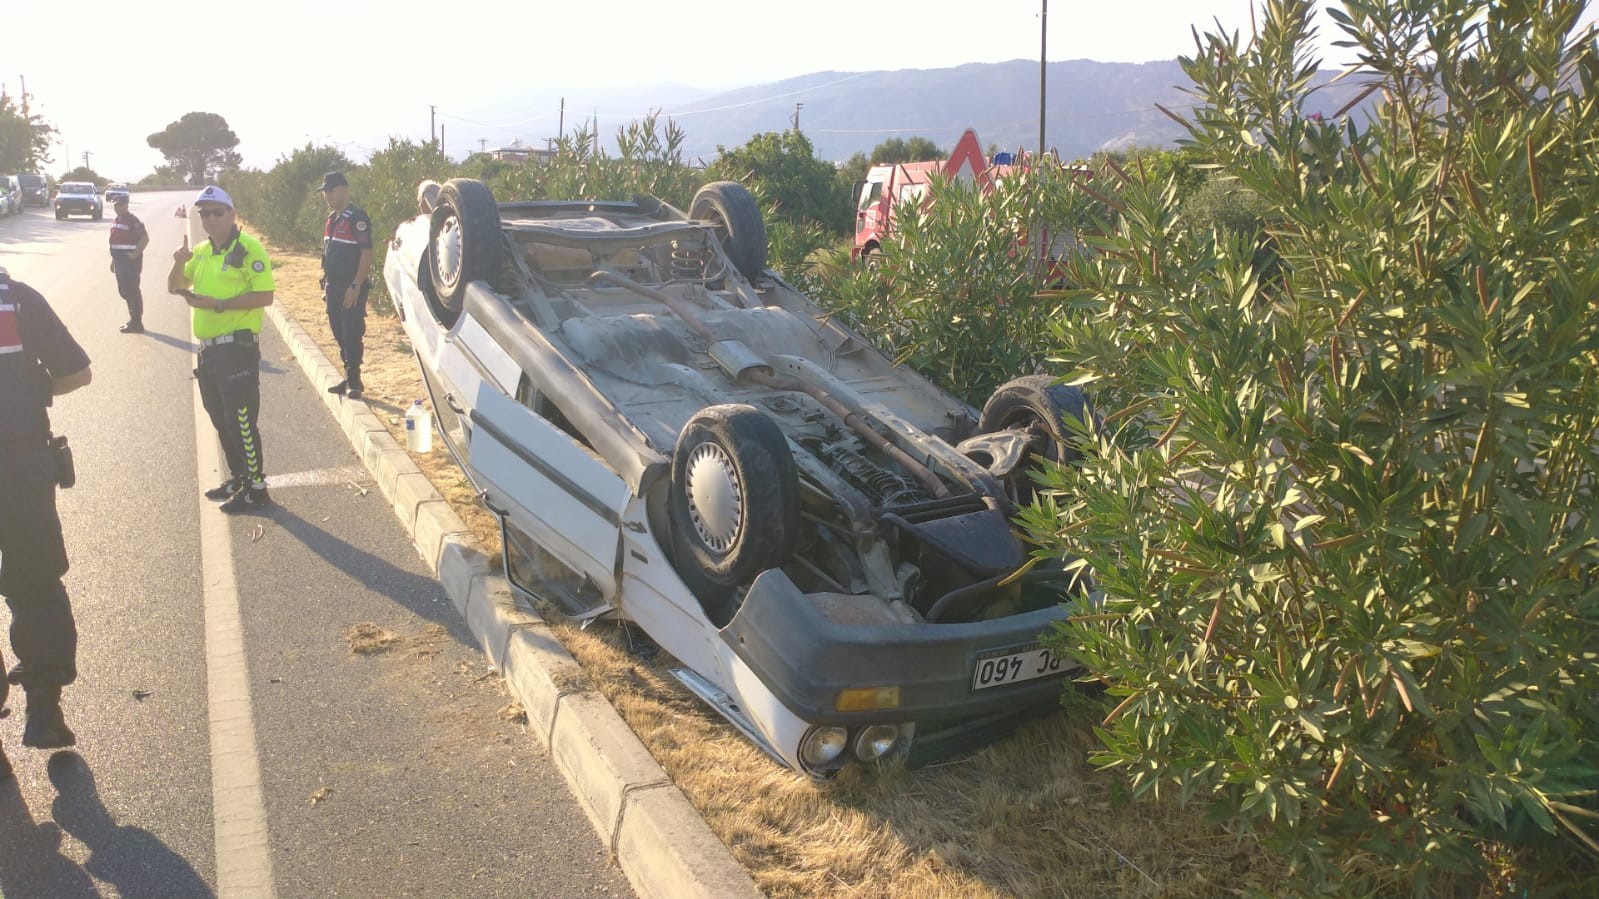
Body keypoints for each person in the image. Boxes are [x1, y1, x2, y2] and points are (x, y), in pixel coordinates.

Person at [0, 266, 94, 772]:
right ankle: (43, 710)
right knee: (35, 586)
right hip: (21, 467)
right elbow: (78, 372)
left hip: (22, 466)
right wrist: (32, 392)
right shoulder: (16, 299)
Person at [166, 185, 276, 513]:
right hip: (209, 351)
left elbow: (265, 296)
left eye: (216, 212)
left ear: (232, 214)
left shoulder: (248, 248)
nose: (210, 218)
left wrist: (218, 304)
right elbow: (175, 287)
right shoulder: (200, 251)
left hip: (236, 349)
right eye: (204, 213)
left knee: (240, 418)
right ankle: (240, 477)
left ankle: (257, 488)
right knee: (220, 419)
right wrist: (178, 263)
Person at [317, 172, 373, 400]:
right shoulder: (332, 219)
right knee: (338, 331)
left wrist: (356, 285)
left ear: (343, 189)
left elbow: (366, 253)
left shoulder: (356, 218)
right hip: (332, 287)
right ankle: (350, 376)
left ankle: (354, 381)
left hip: (351, 287)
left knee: (351, 332)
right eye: (325, 192)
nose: (327, 195)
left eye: (330, 190)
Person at [107, 193, 150, 334]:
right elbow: (116, 241)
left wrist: (135, 254)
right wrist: (113, 261)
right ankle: (133, 319)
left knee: (132, 292)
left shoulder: (133, 221)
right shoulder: (116, 220)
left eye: (120, 204)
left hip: (130, 263)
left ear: (126, 205)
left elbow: (145, 238)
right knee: (124, 291)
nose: (118, 207)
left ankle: (137, 322)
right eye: (116, 205)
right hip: (119, 262)